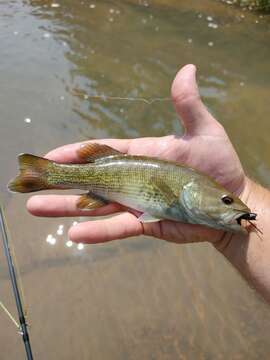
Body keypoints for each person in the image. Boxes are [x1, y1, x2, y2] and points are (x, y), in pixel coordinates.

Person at [27, 64, 270, 303]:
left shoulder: (213, 202)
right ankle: (44, 174)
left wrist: (242, 198)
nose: (231, 204)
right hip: (108, 174)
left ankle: (40, 174)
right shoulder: (186, 187)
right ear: (192, 191)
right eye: (226, 200)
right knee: (55, 178)